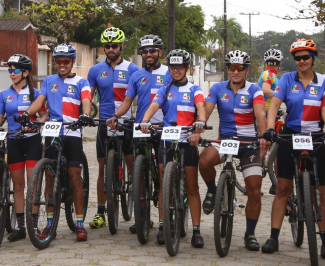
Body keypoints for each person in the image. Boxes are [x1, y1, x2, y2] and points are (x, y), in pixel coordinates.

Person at [261, 39, 325, 260]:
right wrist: (270, 129)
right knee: (282, 189)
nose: (301, 61)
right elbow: (274, 106)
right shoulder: (287, 79)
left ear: (313, 59)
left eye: (305, 57)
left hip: (314, 137)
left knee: (319, 193)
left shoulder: (324, 81)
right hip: (290, 136)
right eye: (297, 58)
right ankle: (273, 237)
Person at [20, 43, 94, 242]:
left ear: (72, 62)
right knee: (49, 176)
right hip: (53, 131)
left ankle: (80, 223)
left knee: (75, 176)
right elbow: (40, 101)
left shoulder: (81, 81)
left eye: (65, 61)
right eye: (58, 61)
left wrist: (85, 115)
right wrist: (27, 114)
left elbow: (86, 100)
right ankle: (50, 223)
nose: (61, 65)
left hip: (72, 130)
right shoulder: (49, 80)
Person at [199, 50, 268, 251]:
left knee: (254, 191)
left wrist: (263, 137)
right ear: (227, 69)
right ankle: (212, 191)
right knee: (204, 160)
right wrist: (199, 127)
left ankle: (250, 234)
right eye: (231, 67)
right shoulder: (218, 88)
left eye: (240, 68)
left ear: (246, 70)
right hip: (225, 140)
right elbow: (206, 111)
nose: (235, 71)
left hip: (248, 143)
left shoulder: (255, 90)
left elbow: (260, 115)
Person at [139, 49, 207, 249]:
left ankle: (196, 231)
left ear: (187, 68)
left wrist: (201, 122)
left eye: (180, 67)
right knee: (164, 185)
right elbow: (154, 106)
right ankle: (162, 226)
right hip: (167, 140)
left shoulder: (195, 89)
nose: (176, 70)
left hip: (187, 140)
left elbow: (201, 108)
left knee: (192, 188)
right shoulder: (165, 89)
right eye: (172, 67)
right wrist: (145, 120)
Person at [110, 34, 168, 235]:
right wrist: (115, 116)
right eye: (145, 51)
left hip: (162, 128)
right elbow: (127, 101)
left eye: (152, 50)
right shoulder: (136, 76)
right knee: (139, 176)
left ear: (160, 52)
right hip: (141, 128)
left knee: (162, 174)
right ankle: (142, 217)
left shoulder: (169, 73)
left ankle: (163, 223)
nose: (148, 54)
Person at [0, 54, 46, 242]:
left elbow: (44, 116)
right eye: (10, 70)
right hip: (14, 141)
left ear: (25, 73)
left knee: (32, 184)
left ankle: (33, 224)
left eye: (16, 70)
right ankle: (21, 227)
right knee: (18, 186)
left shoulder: (36, 93)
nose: (12, 73)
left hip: (32, 140)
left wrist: (36, 125)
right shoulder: (5, 94)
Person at [88, 27, 139, 229]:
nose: (110, 49)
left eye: (114, 46)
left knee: (132, 166)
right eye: (107, 46)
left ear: (121, 46)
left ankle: (141, 212)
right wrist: (85, 114)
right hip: (104, 122)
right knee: (102, 167)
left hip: (126, 122)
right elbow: (88, 96)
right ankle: (101, 211)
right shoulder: (95, 70)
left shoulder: (132, 69)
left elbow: (142, 95)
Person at [260, 46, 283, 195]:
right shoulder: (269, 74)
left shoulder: (271, 74)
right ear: (279, 63)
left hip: (272, 113)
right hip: (266, 113)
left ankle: (276, 184)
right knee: (266, 146)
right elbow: (265, 89)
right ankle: (253, 179)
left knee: (277, 148)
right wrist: (281, 96)